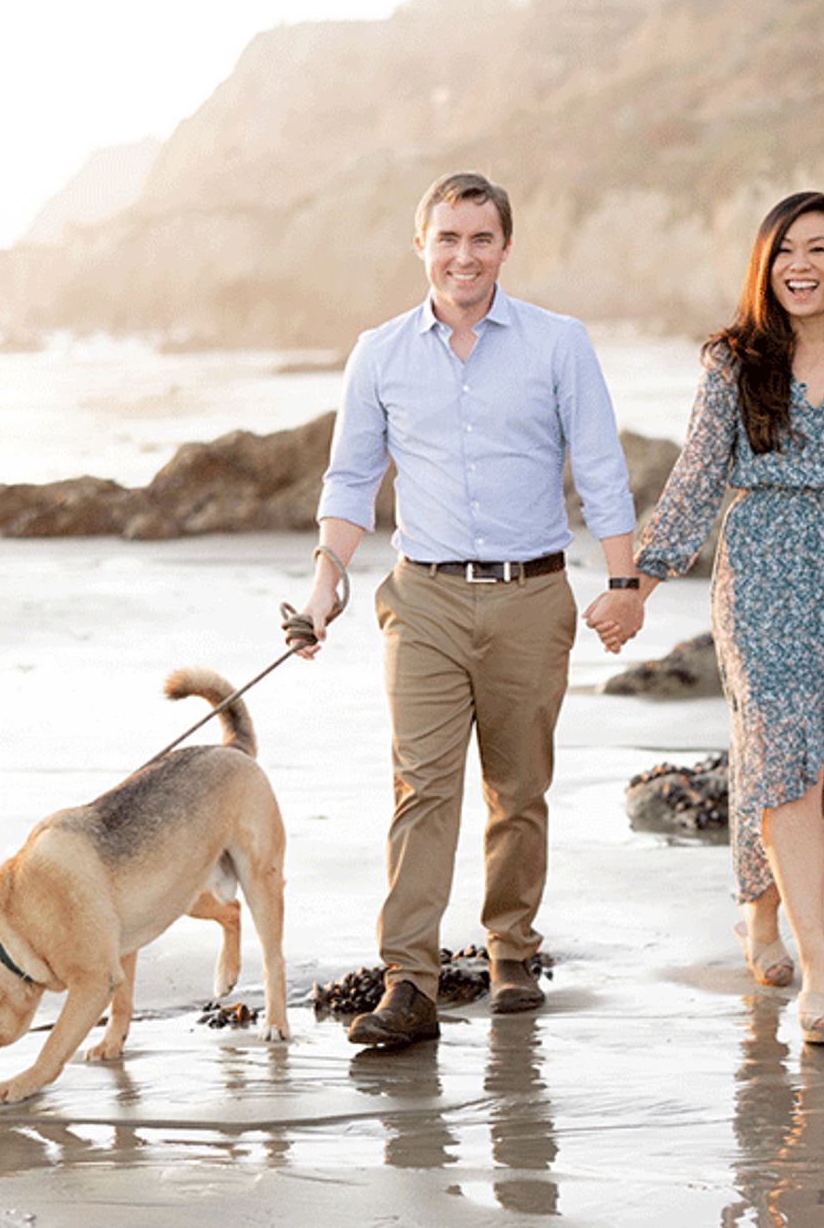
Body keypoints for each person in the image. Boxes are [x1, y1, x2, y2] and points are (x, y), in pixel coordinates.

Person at [297, 171, 643, 1048]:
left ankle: (512, 953)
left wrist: (624, 582)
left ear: (505, 249)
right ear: (422, 245)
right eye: (447, 238)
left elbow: (600, 466)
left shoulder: (559, 343)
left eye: (480, 239)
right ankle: (408, 982)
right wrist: (325, 579)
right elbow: (350, 482)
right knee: (422, 788)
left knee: (519, 789)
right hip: (423, 602)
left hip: (533, 595)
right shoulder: (378, 353)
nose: (464, 255)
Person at [590, 190, 824, 1044]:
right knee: (787, 757)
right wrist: (638, 582)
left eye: (819, 249)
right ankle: (820, 962)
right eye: (785, 251)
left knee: (809, 758)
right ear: (764, 266)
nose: (801, 267)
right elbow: (699, 476)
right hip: (763, 574)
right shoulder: (734, 361)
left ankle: (760, 911)